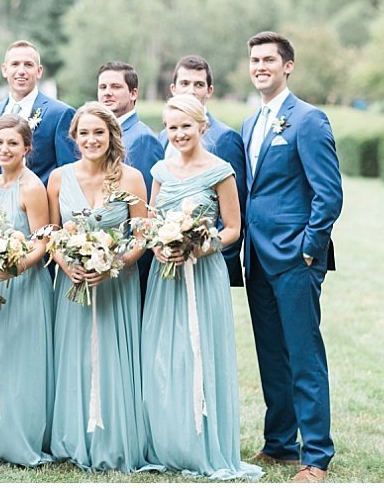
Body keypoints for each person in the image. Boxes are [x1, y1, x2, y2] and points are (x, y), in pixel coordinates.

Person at [139, 95, 260, 480]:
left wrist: (198, 246)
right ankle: (167, 440)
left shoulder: (220, 170)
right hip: (165, 275)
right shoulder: (160, 170)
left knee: (200, 353)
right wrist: (159, 244)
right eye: (172, 128)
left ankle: (203, 442)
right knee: (164, 355)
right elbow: (150, 221)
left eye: (186, 126)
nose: (179, 134)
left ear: (202, 126)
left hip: (203, 274)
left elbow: (233, 228)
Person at [242, 31, 342, 482]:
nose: (260, 66)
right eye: (254, 60)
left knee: (304, 356)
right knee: (271, 356)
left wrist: (308, 249)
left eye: (268, 59)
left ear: (288, 66)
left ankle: (316, 454)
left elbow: (328, 193)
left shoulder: (308, 119)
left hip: (295, 258)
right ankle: (280, 443)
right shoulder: (250, 123)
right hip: (257, 259)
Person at [47, 102, 149, 472]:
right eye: (84, 133)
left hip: (115, 286)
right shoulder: (58, 177)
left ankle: (114, 440)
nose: (91, 139)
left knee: (112, 359)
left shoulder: (132, 178)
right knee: (73, 358)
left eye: (98, 133)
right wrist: (65, 262)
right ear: (74, 138)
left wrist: (113, 264)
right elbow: (52, 233)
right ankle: (72, 438)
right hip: (72, 285)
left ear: (112, 136)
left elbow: (142, 236)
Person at [0, 114, 53, 466]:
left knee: (21, 362)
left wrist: (13, 266)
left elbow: (43, 241)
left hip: (25, 286)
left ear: (27, 148)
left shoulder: (32, 188)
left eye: (12, 143)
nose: (4, 149)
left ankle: (20, 437)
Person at [159, 55, 248, 286]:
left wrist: (209, 255)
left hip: (207, 264)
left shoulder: (225, 138)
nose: (191, 91)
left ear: (209, 90)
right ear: (173, 88)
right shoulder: (163, 136)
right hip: (167, 262)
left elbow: (234, 216)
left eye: (198, 84)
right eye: (185, 84)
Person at [96, 61, 164, 303]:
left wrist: (129, 264)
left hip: (129, 265)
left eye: (115, 86)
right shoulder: (100, 136)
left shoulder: (142, 139)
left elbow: (144, 213)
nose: (107, 92)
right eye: (102, 87)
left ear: (134, 93)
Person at [0, 40, 78, 186]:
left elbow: (68, 172)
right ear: (4, 70)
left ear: (39, 71)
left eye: (28, 64)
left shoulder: (60, 114)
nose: (21, 71)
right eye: (15, 64)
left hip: (42, 203)